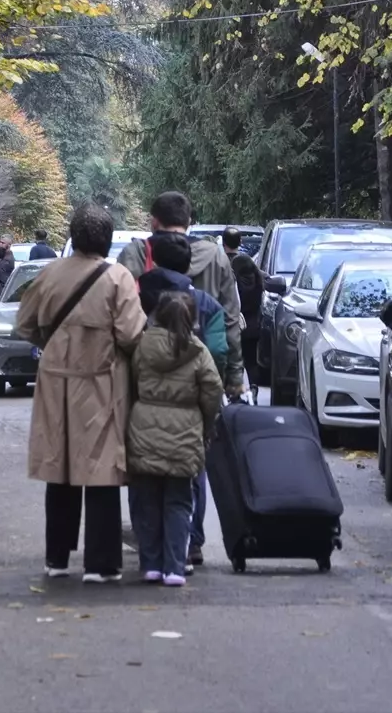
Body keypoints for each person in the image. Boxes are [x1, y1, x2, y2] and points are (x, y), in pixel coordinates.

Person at [15, 204, 146, 583]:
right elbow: (132, 334)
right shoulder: (118, 277)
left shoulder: (50, 273)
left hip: (55, 381)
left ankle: (56, 559)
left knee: (61, 470)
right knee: (101, 471)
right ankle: (100, 563)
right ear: (106, 240)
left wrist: (54, 342)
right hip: (101, 383)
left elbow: (25, 323)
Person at [116, 191, 243, 568]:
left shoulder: (135, 256)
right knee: (193, 459)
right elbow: (231, 318)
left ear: (153, 221)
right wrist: (232, 376)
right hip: (198, 371)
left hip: (146, 371)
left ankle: (151, 541)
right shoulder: (216, 256)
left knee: (144, 458)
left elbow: (120, 314)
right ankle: (192, 539)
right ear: (189, 221)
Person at [126, 291, 224, 587]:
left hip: (145, 429)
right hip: (185, 430)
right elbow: (212, 390)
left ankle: (151, 564)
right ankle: (174, 567)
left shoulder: (142, 345)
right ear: (191, 319)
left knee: (148, 502)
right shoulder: (197, 351)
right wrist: (206, 423)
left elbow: (132, 381)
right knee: (179, 502)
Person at [139, 233, 229, 373]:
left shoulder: (136, 300)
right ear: (188, 268)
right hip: (195, 386)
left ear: (155, 263)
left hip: (147, 388)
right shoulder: (208, 304)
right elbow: (217, 351)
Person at [223, 226, 265, 399]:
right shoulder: (249, 264)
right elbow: (261, 288)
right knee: (250, 360)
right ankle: (253, 389)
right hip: (250, 322)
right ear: (240, 242)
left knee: (228, 359)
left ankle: (230, 392)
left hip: (226, 322)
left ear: (223, 243)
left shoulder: (220, 264)